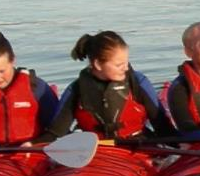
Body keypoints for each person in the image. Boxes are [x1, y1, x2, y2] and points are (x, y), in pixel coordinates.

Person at [39, 31, 171, 141]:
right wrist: (32, 145)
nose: (126, 68)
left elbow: (162, 127)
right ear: (97, 64)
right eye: (119, 65)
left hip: (138, 145)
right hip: (95, 150)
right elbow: (56, 132)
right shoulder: (76, 89)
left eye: (126, 62)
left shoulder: (138, 82)